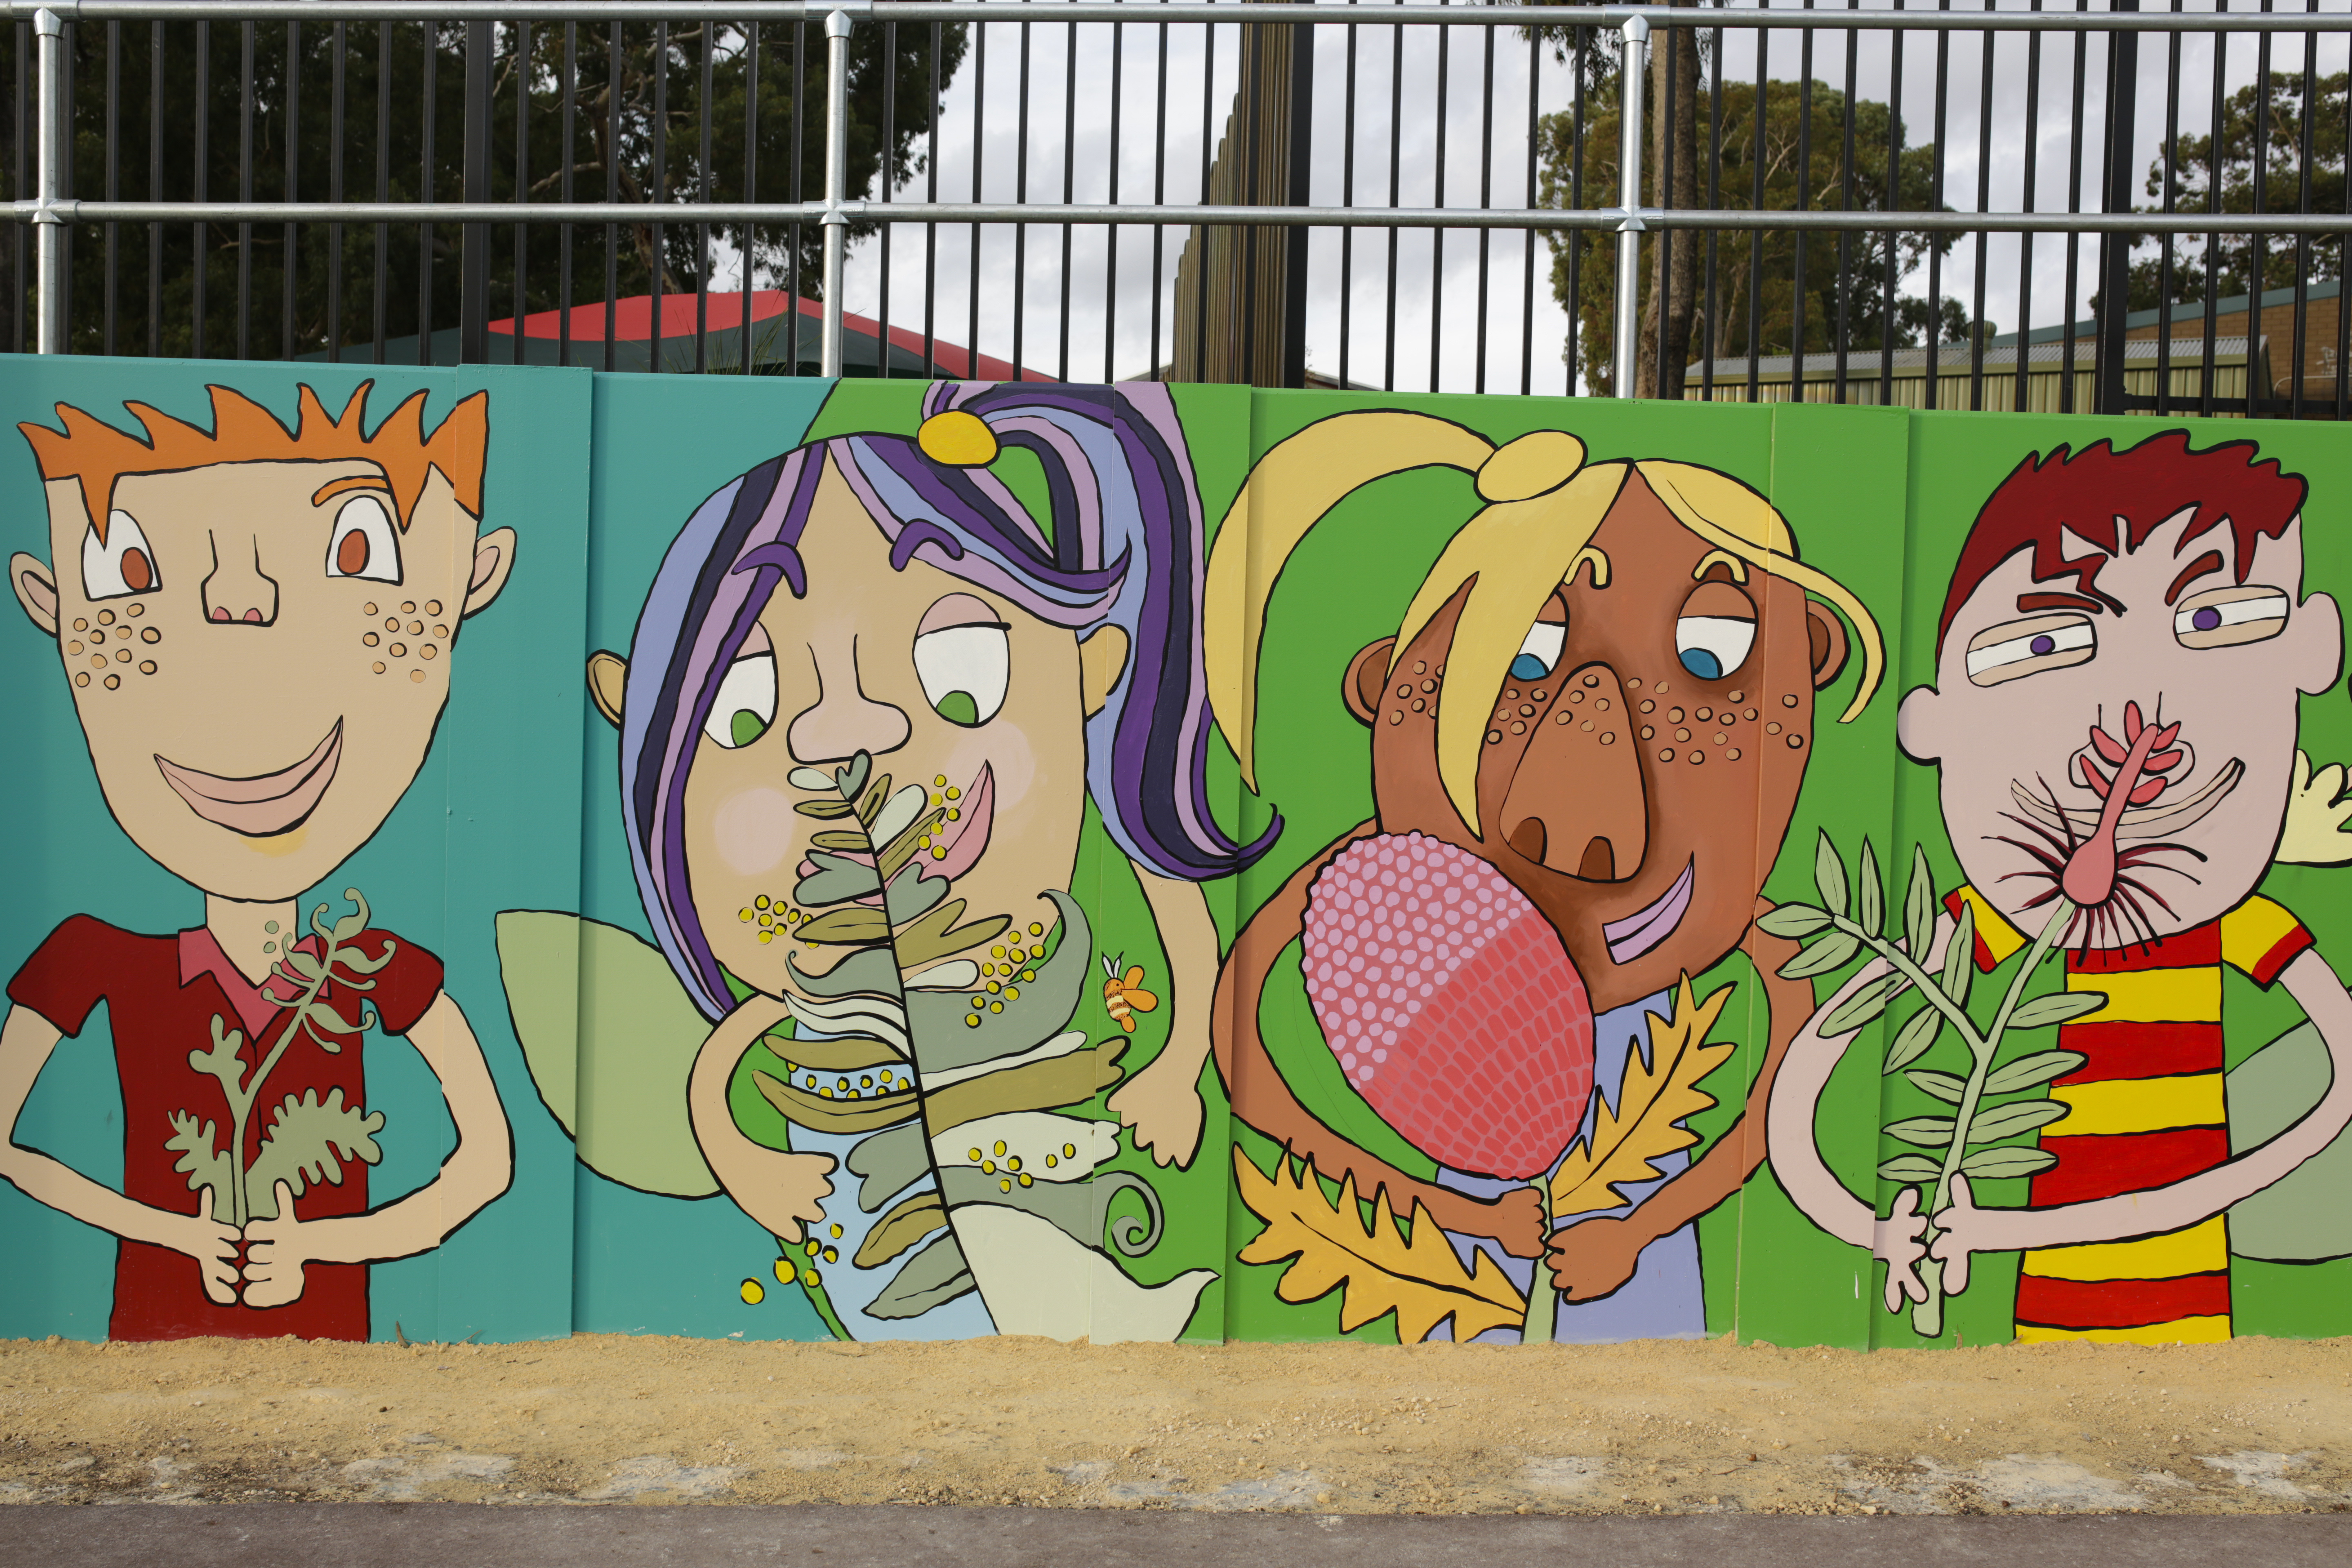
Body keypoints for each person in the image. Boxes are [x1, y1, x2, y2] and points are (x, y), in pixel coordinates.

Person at [1158, 412, 1884, 1342]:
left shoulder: (1769, 941)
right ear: (1382, 684)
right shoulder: (1364, 893)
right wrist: (1454, 1212)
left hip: (1639, 1287)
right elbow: (1248, 1053)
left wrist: (1638, 1229)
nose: (1596, 836)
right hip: (1462, 1266)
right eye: (1524, 655)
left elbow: (1779, 1101)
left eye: (1714, 651)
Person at [581, 381, 1266, 1340]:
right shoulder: (818, 984)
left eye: (963, 667)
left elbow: (1185, 930)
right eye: (746, 701)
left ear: (1091, 670)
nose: (848, 730)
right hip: (875, 1242)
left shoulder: (1060, 931)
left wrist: (1174, 1063)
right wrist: (750, 1164)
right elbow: (723, 1065)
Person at [1769, 430, 2352, 1343]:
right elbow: (1802, 1106)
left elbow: (2338, 1080)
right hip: (2051, 1323)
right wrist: (1881, 1229)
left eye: (2213, 622)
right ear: (1932, 723)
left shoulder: (2235, 926)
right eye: (2042, 644)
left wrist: (1994, 1230)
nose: (2136, 711)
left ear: (2314, 648)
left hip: (2193, 1316)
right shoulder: (1986, 927)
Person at [0, 382, 516, 1341]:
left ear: (469, 585)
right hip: (148, 1336)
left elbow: (488, 1163)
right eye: (125, 569)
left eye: (359, 552)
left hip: (337, 1351)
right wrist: (169, 1235)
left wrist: (324, 1247)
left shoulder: (375, 968)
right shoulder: (94, 959)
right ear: (51, 604)